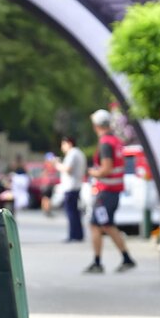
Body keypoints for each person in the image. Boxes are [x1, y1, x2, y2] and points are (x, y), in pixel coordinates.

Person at [84, 109, 136, 273]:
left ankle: (101, 262)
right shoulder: (115, 141)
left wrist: (93, 172)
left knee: (101, 225)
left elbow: (106, 169)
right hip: (113, 191)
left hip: (106, 192)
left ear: (96, 125)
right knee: (103, 225)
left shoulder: (106, 143)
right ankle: (119, 258)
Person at [57, 136, 87, 242]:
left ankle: (73, 235)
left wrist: (57, 165)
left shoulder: (72, 153)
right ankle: (78, 234)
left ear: (69, 143)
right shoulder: (79, 153)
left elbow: (68, 169)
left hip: (70, 187)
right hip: (76, 185)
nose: (62, 147)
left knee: (71, 213)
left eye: (63, 144)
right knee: (75, 212)